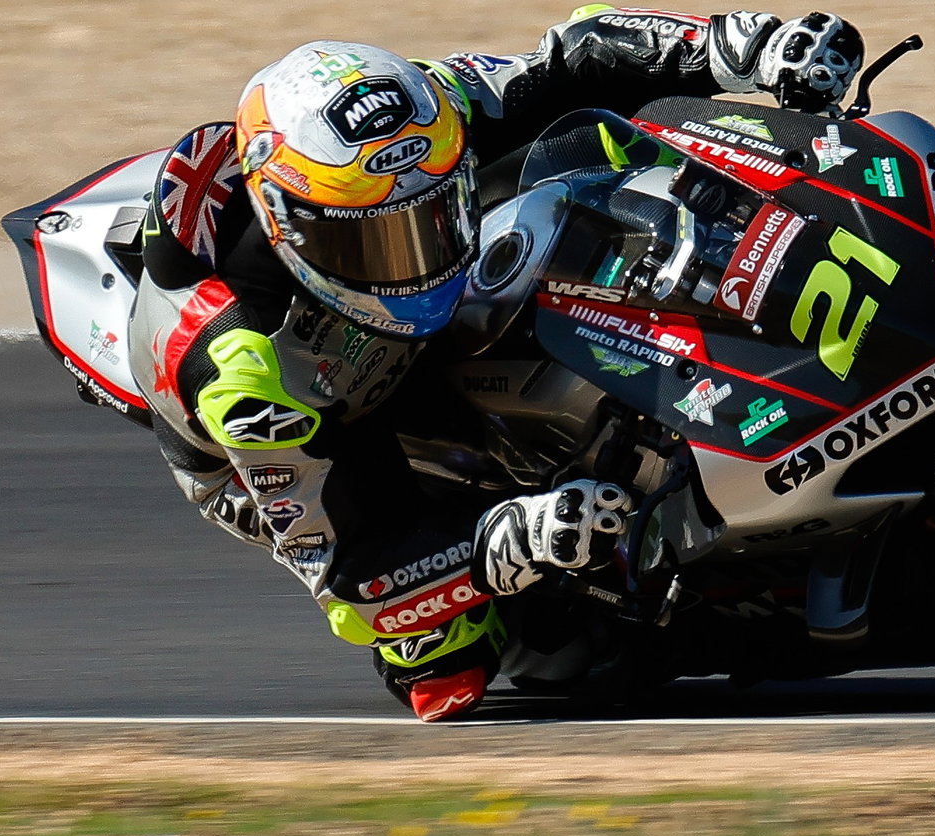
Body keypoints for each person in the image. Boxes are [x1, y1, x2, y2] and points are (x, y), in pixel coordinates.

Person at [125, 6, 864, 721]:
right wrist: (516, 537)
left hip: (390, 334)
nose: (415, 263)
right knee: (449, 664)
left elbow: (576, 55)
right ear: (295, 231)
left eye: (429, 218)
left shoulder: (425, 113)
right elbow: (352, 583)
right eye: (378, 244)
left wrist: (743, 47)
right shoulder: (245, 382)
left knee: (601, 164)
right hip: (324, 424)